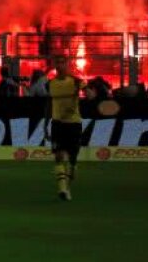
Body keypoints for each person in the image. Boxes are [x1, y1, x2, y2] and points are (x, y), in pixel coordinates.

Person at [45, 57, 85, 201]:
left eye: (63, 62)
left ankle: (72, 169)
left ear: (68, 65)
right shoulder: (50, 84)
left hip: (74, 124)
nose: (60, 65)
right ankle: (62, 189)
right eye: (58, 62)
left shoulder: (76, 81)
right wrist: (45, 125)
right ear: (55, 65)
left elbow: (89, 92)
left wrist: (89, 93)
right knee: (58, 156)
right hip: (57, 124)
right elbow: (49, 105)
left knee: (72, 158)